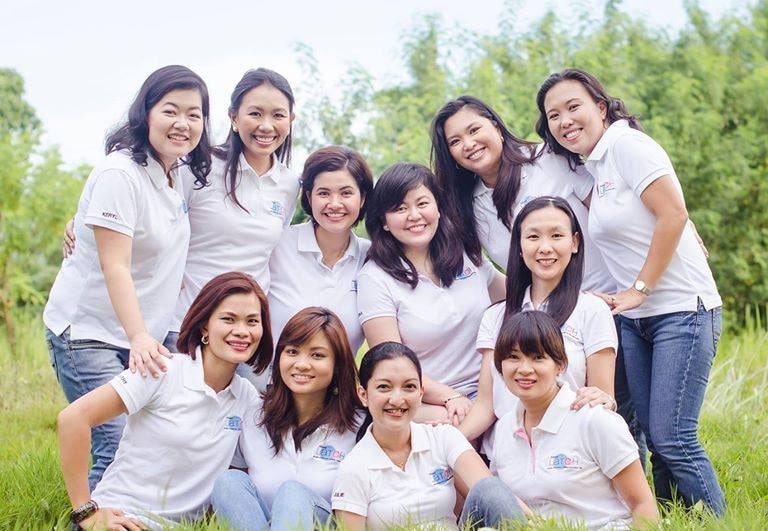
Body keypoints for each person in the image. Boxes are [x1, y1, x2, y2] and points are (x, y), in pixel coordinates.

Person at [536, 68, 724, 514]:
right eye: (554, 115)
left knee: (674, 437)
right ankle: (668, 518)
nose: (565, 121)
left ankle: (718, 521)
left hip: (683, 310)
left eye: (573, 107)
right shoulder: (595, 165)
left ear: (601, 106)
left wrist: (638, 289)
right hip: (637, 321)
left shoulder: (628, 145)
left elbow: (673, 214)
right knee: (646, 433)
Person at [432, 94, 644, 461]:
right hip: (545, 321)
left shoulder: (548, 160)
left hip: (610, 302)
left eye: (474, 129)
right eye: (454, 141)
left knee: (619, 416)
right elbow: (495, 274)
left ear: (495, 125)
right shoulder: (467, 203)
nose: (468, 144)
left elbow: (615, 209)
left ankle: (639, 504)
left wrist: (680, 229)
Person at [44, 65, 212, 488]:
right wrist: (139, 336)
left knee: (149, 445)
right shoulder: (121, 172)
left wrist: (79, 219)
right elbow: (113, 264)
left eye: (194, 114)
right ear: (146, 113)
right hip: (89, 331)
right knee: (115, 444)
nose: (183, 123)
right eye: (170, 110)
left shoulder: (177, 174)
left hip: (143, 334)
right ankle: (88, 515)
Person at [57, 272, 271, 530]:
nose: (242, 331)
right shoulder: (162, 371)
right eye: (228, 319)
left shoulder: (246, 397)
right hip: (123, 521)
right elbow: (73, 418)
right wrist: (85, 513)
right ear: (205, 326)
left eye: (252, 321)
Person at [356, 163, 506, 425]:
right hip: (430, 404)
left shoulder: (464, 253)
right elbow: (390, 366)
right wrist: (451, 397)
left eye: (422, 203)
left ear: (438, 208)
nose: (414, 215)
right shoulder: (374, 278)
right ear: (384, 222)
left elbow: (516, 295)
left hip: (493, 389)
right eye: (400, 208)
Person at [460, 196, 617, 443]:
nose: (545, 247)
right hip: (505, 455)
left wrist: (606, 400)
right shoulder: (495, 317)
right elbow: (486, 406)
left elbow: (602, 396)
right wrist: (448, 446)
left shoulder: (592, 310)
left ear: (574, 242)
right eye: (533, 237)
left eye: (556, 236)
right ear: (520, 247)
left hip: (568, 451)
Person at [490, 311, 658, 530]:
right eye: (513, 357)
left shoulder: (594, 419)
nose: (524, 369)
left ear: (560, 365)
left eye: (538, 357)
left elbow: (643, 504)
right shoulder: (504, 429)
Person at [332, 342, 523, 531]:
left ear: (421, 393)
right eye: (384, 387)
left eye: (409, 387)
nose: (397, 399)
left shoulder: (442, 437)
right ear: (363, 395)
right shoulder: (353, 468)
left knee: (489, 487)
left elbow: (495, 495)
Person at [211, 307, 362, 531]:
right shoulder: (254, 414)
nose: (301, 364)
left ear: (337, 366)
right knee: (229, 482)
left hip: (321, 523)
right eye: (292, 352)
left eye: (317, 355)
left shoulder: (359, 424)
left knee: (292, 492)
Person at [267, 146, 374, 357]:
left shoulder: (371, 257)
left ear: (362, 199)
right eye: (324, 193)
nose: (335, 204)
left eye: (346, 193)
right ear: (309, 196)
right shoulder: (277, 245)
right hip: (266, 385)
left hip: (337, 388)